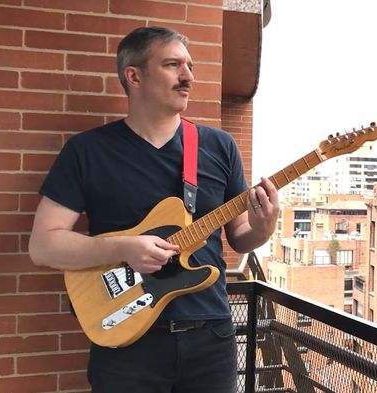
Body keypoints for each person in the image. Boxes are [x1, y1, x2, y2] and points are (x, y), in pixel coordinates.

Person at [29, 26, 279, 393]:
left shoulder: (220, 146)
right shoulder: (87, 151)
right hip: (127, 338)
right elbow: (43, 246)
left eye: (190, 66)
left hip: (211, 334)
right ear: (134, 76)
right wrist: (125, 247)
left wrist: (265, 226)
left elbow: (240, 238)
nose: (188, 76)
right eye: (173, 64)